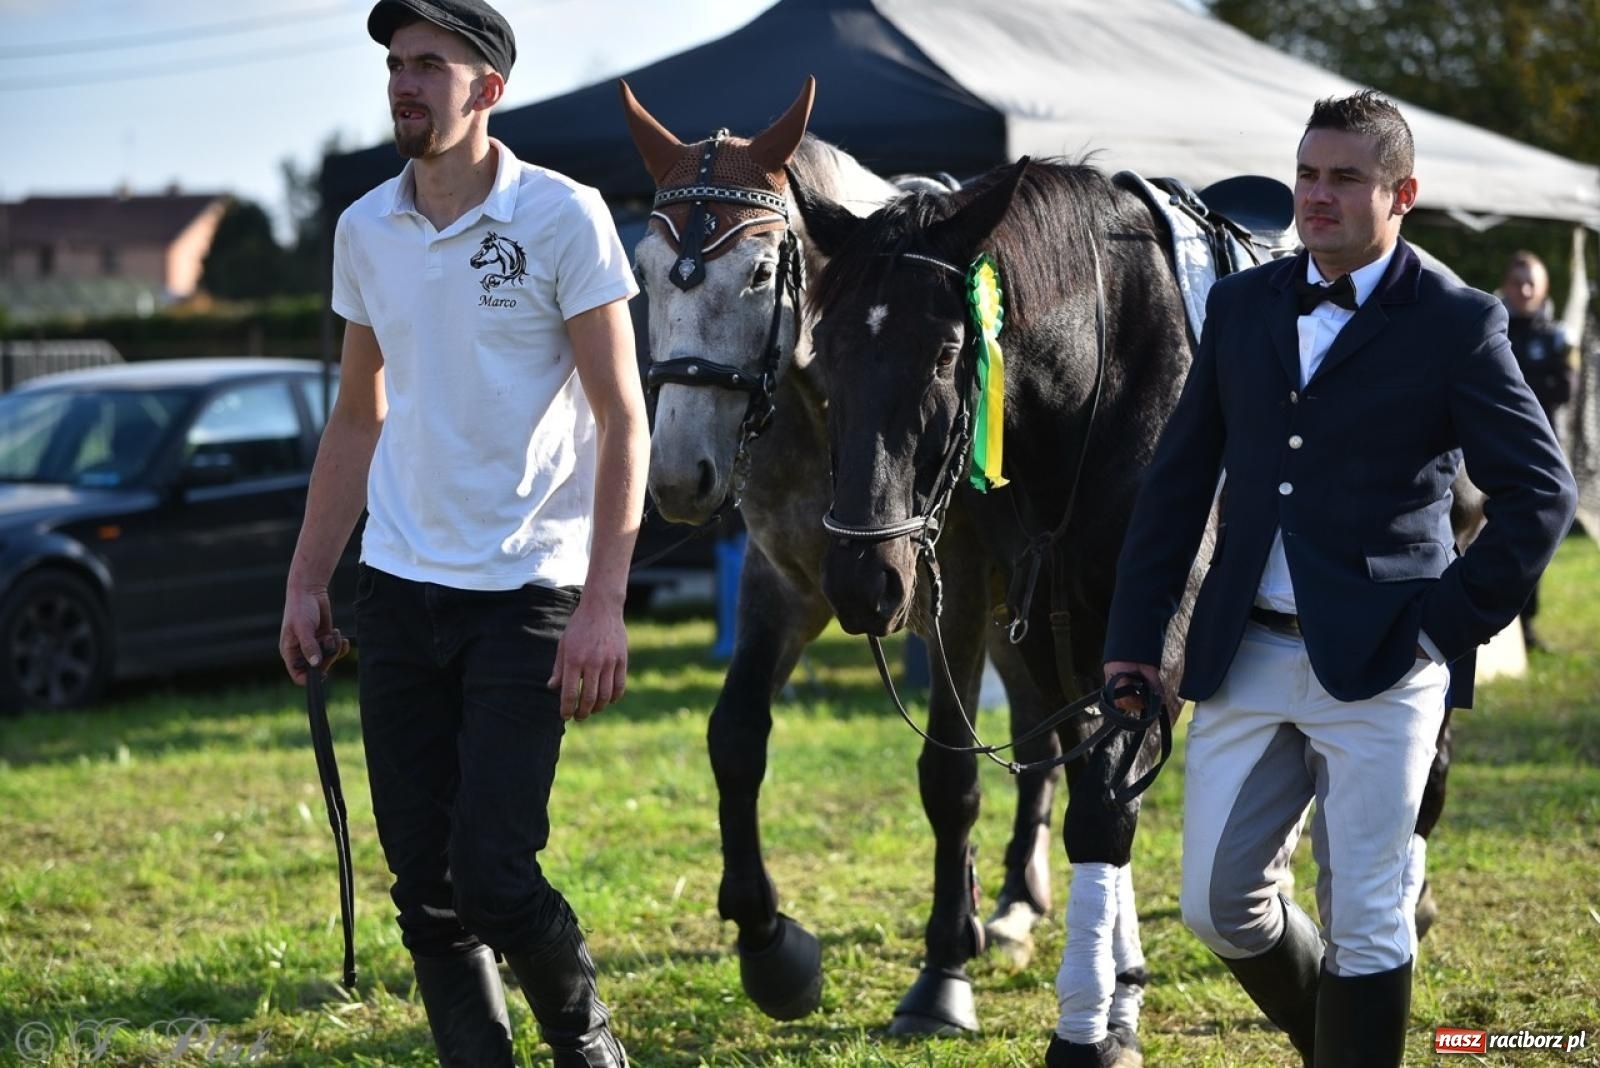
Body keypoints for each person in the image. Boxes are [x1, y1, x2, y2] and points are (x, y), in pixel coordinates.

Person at [1100, 91, 1576, 1067]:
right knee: (1214, 904)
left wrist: (1442, 627)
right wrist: (1137, 644)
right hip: (1245, 652)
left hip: (1388, 661)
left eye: (1344, 178)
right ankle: (1341, 1041)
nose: (1316, 196)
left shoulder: (1458, 321)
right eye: (1307, 174)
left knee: (1365, 913)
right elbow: (1177, 485)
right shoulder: (1240, 306)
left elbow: (1541, 495)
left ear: (1401, 194)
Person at [277, 1, 647, 1064]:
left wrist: (603, 604)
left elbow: (626, 420)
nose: (404, 83)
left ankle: (587, 1047)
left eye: (429, 65)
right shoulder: (364, 228)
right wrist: (310, 581)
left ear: (487, 89)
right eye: (395, 64)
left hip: (527, 590)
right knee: (423, 888)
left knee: (491, 871)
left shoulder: (563, 216)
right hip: (396, 592)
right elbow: (358, 414)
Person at [1500, 249, 1573, 650]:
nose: (1524, 289)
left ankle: (1526, 627)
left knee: (1533, 541)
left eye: (1531, 282)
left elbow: (1565, 389)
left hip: (1541, 454)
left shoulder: (1557, 335)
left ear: (1543, 286)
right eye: (1517, 281)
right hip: (1494, 453)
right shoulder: (1490, 329)